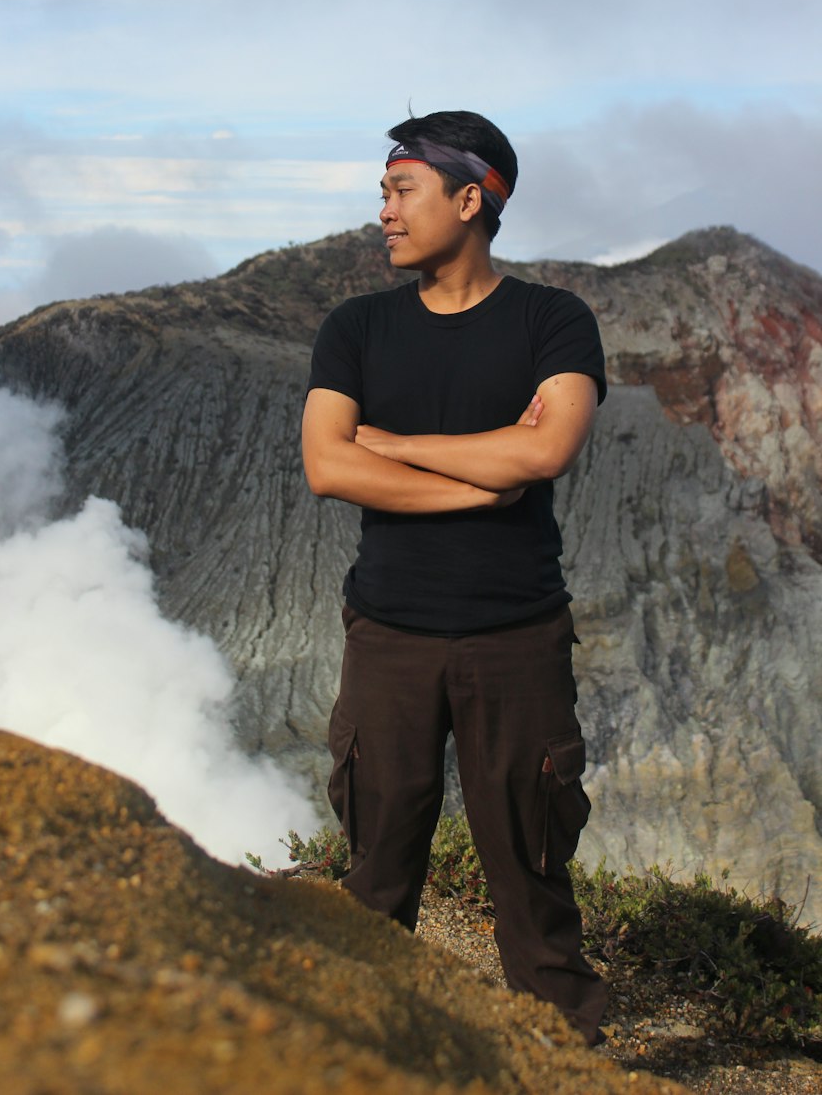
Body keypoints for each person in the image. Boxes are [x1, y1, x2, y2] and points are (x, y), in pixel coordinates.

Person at [301, 109, 608, 1045]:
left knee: (530, 880)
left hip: (517, 639)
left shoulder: (552, 320)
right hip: (389, 636)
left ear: (470, 198)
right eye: (383, 192)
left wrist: (395, 445)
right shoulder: (356, 326)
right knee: (376, 875)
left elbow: (548, 448)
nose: (383, 212)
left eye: (402, 190)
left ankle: (567, 1061)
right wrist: (480, 486)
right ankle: (360, 1055)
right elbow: (327, 466)